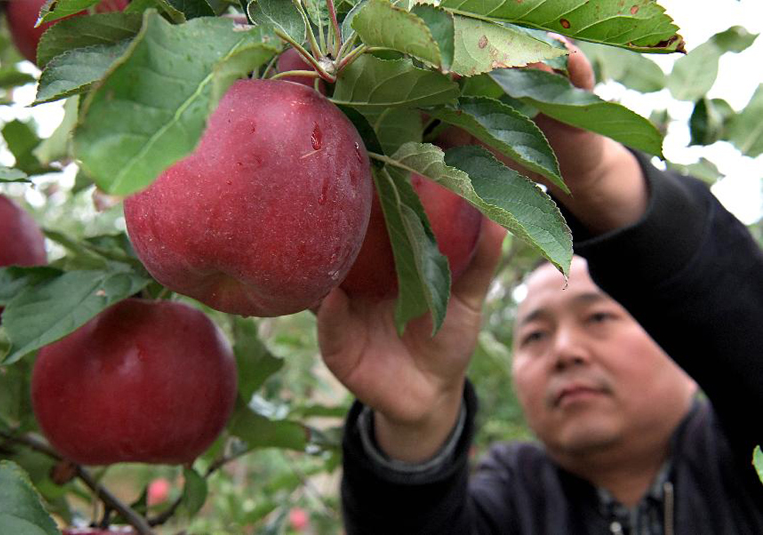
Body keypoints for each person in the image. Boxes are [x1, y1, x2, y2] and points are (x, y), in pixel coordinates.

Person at [315, 41, 763, 534]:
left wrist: (597, 178)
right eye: (533, 336)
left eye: (599, 318)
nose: (565, 351)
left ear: (678, 340)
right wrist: (415, 426)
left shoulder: (741, 465)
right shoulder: (511, 499)